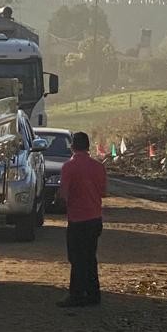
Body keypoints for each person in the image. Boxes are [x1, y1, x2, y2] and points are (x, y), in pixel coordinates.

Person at [57, 131, 107, 308]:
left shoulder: (69, 167)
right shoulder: (98, 167)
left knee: (76, 258)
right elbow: (103, 192)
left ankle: (76, 294)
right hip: (94, 217)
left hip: (77, 219)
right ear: (88, 146)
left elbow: (64, 195)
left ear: (72, 146)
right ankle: (93, 294)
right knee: (90, 257)